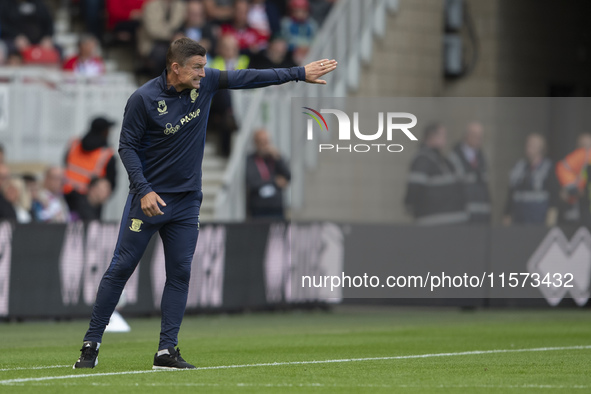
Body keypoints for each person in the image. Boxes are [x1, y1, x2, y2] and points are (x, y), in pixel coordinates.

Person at [73, 37, 336, 369]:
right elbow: (127, 148)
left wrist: (298, 72)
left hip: (186, 202)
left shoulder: (207, 82)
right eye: (197, 67)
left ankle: (166, 351)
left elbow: (249, 78)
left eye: (204, 65)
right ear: (175, 68)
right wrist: (143, 190)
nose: (204, 72)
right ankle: (91, 343)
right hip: (149, 199)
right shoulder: (143, 99)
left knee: (180, 271)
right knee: (122, 267)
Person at [404, 123, 467, 226]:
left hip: (451, 221)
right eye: (442, 136)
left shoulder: (443, 161)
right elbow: (414, 190)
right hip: (432, 222)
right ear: (431, 137)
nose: (445, 140)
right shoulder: (422, 161)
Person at [63, 117, 118, 217]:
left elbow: (65, 163)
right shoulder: (107, 153)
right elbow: (112, 183)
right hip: (91, 201)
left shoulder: (75, 143)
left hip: (66, 195)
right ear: (104, 132)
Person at [503, 134, 558, 226]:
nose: (528, 147)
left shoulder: (548, 168)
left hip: (538, 222)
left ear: (541, 148)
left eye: (532, 144)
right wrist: (506, 216)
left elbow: (554, 197)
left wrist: (550, 223)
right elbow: (511, 194)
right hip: (518, 221)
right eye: (527, 144)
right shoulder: (518, 167)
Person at [448, 122, 491, 224]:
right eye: (475, 135)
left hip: (482, 213)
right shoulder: (454, 157)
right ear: (466, 135)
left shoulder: (482, 157)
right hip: (464, 212)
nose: (479, 139)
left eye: (480, 136)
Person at [246, 128, 291, 219]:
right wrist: (274, 181)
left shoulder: (275, 158)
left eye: (266, 141)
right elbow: (252, 182)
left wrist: (278, 158)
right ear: (255, 143)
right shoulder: (251, 159)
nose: (264, 145)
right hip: (258, 208)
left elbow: (288, 176)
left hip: (276, 207)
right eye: (261, 141)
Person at [137, 0, 186, 78]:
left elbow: (180, 24)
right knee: (163, 55)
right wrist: (172, 35)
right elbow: (153, 30)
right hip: (152, 43)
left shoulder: (181, 5)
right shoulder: (151, 5)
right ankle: (159, 83)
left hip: (173, 42)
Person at [555, 132, 591, 226]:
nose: (586, 151)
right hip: (569, 216)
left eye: (588, 147)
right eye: (582, 147)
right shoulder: (567, 167)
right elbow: (558, 192)